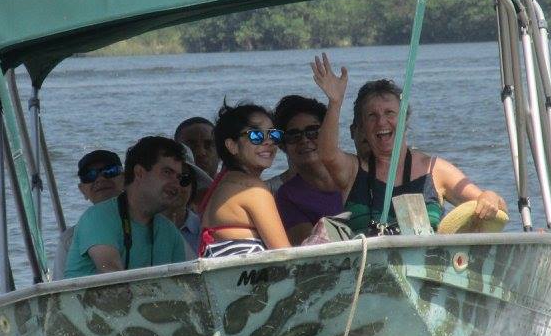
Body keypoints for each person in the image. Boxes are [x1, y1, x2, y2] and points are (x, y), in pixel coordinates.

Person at [311, 53, 507, 234]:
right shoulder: (353, 171)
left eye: (389, 113)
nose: (381, 122)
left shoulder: (434, 169)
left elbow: (498, 208)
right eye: (372, 116)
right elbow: (327, 154)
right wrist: (335, 103)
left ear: (405, 120)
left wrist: (489, 196)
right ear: (361, 128)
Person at [63, 136, 192, 278]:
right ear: (139, 173)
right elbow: (111, 275)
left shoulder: (170, 233)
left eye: (178, 177)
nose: (176, 184)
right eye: (167, 173)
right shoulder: (98, 217)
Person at [197, 102, 291, 257]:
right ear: (232, 146)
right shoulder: (253, 189)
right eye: (256, 135)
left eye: (273, 135)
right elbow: (284, 255)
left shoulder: (223, 184)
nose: (268, 142)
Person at [272, 94, 345, 244]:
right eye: (294, 135)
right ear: (282, 145)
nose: (304, 140)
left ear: (327, 133)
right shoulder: (288, 196)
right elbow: (309, 249)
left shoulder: (357, 170)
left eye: (312, 132)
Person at [50, 149, 125, 277]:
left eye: (109, 171)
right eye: (89, 175)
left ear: (125, 178)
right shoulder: (68, 240)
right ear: (82, 190)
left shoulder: (148, 222)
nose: (100, 179)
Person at [165, 143, 211, 249]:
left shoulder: (207, 230)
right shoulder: (133, 229)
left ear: (193, 185)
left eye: (184, 178)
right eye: (167, 175)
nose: (175, 185)